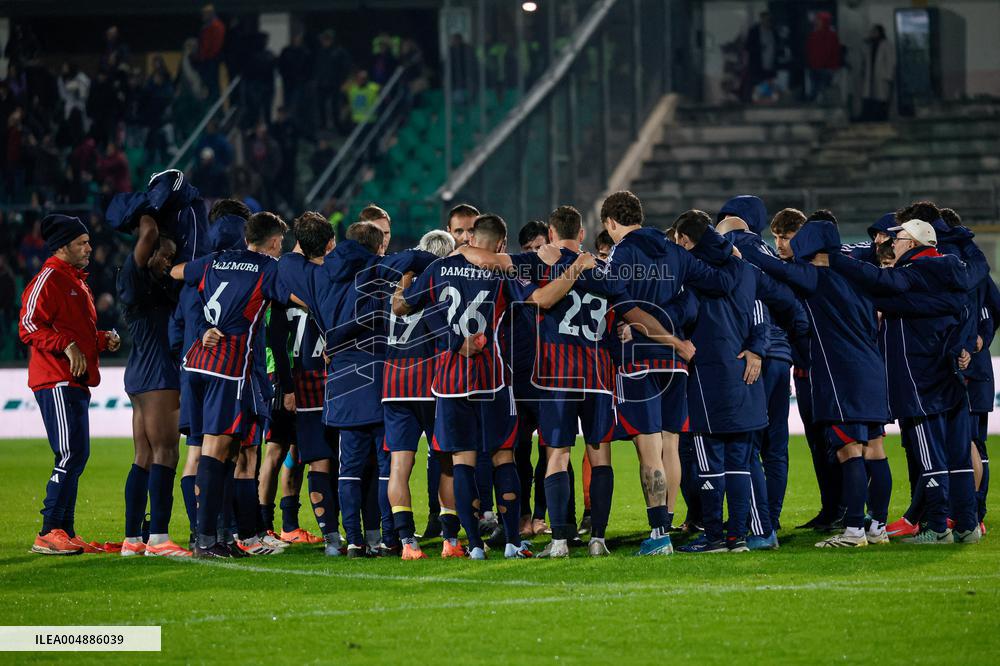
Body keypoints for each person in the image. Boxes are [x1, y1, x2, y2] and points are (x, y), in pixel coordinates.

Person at [393, 214, 589, 559]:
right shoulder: (502, 271)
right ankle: (513, 540)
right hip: (493, 377)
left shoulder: (439, 269)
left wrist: (405, 284)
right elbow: (539, 299)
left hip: (450, 382)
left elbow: (406, 307)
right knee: (503, 458)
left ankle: (474, 545)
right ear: (500, 244)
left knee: (462, 460)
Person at [600, 191, 735, 555]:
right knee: (671, 444)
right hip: (675, 366)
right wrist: (729, 250)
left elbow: (628, 310)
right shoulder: (676, 252)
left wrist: (670, 339)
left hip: (639, 360)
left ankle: (659, 534)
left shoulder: (621, 254)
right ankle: (669, 524)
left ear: (611, 222)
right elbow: (722, 282)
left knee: (649, 449)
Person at [749, 213, 890, 548]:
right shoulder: (856, 272)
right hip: (872, 369)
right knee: (875, 450)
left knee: (848, 451)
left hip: (843, 374)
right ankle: (877, 528)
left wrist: (742, 246)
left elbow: (774, 269)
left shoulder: (814, 276)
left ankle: (854, 530)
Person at [169, 211, 289, 557]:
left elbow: (179, 272)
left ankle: (217, 536)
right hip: (230, 367)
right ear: (273, 243)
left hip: (200, 365)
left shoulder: (213, 262)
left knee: (223, 452)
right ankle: (207, 539)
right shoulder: (266, 268)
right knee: (217, 451)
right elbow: (291, 297)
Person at [20, 214, 121, 555]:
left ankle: (66, 529)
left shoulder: (76, 281)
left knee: (78, 454)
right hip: (55, 378)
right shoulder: (48, 279)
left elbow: (75, 333)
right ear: (62, 246)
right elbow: (29, 324)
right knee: (70, 452)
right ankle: (49, 530)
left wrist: (100, 339)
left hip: (74, 380)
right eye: (82, 242)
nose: (89, 247)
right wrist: (66, 343)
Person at [117, 215, 190, 557]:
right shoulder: (135, 276)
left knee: (144, 455)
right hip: (158, 372)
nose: (168, 261)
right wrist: (151, 208)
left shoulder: (150, 284)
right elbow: (146, 232)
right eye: (164, 254)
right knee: (167, 452)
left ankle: (133, 539)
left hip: (140, 371)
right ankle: (159, 538)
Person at [381, 230, 455, 559]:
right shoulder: (437, 283)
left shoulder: (392, 287)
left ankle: (407, 542)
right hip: (429, 382)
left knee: (399, 465)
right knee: (445, 460)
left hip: (393, 385)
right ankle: (450, 540)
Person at [271, 212, 343, 554]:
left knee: (310, 457)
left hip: (301, 379)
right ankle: (344, 534)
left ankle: (327, 534)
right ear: (329, 243)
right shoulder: (333, 275)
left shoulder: (283, 274)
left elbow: (274, 336)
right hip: (328, 377)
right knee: (328, 458)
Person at [860, 25, 894, 122]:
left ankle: (881, 119)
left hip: (882, 77)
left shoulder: (887, 45)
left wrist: (888, 77)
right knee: (870, 99)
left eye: (874, 32)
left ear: (880, 33)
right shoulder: (869, 46)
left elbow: (890, 62)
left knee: (881, 100)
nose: (872, 33)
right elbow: (864, 60)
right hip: (870, 78)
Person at [805, 11, 841, 102]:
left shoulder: (832, 36)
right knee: (815, 89)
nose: (817, 22)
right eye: (817, 20)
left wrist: (833, 67)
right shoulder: (813, 35)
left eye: (819, 20)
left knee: (823, 90)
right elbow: (809, 50)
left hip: (826, 68)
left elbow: (835, 52)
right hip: (814, 67)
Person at [745, 12, 777, 101]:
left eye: (769, 20)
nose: (768, 21)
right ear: (761, 19)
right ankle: (756, 102)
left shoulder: (773, 31)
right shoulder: (754, 31)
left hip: (770, 66)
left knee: (769, 88)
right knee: (758, 88)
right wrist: (759, 48)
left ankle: (769, 102)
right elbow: (747, 47)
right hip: (758, 66)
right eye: (766, 19)